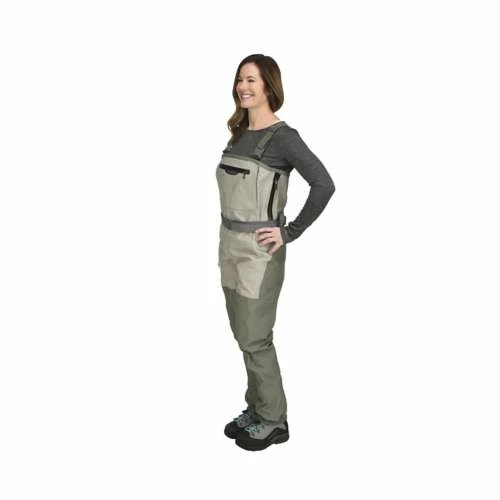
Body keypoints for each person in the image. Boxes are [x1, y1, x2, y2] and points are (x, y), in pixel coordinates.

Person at [217, 54, 335, 451]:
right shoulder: (238, 133)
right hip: (229, 246)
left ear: (269, 86)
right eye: (240, 79)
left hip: (259, 254)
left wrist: (289, 232)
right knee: (243, 335)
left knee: (256, 337)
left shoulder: (283, 137)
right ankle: (256, 408)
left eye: (251, 80)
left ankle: (273, 420)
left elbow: (324, 184)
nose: (243, 87)